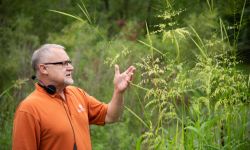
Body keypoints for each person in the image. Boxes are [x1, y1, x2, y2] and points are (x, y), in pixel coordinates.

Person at [12, 44, 136, 150]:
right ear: (44, 69)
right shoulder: (29, 109)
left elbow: (111, 116)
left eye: (69, 62)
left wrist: (118, 92)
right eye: (63, 63)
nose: (71, 67)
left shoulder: (77, 94)